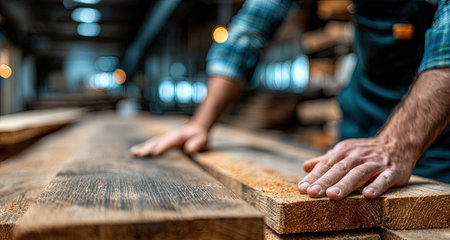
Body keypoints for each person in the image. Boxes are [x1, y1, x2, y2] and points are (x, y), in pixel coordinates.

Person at [130, 0, 450, 200]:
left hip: (440, 130)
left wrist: (397, 145)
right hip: (364, 114)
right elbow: (250, 30)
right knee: (345, 200)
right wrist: (201, 123)